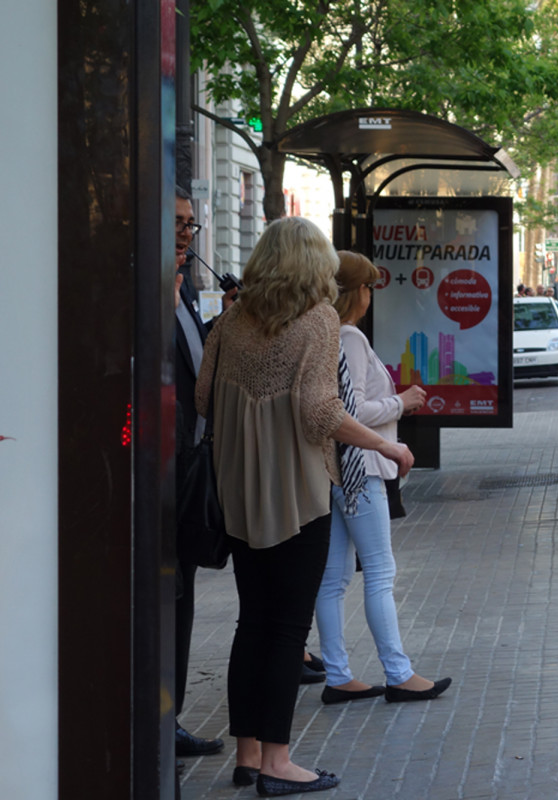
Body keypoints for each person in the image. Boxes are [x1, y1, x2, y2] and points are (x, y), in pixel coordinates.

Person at [196, 217, 414, 796]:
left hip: (237, 491)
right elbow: (320, 413)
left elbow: (201, 395)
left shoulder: (233, 319)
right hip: (295, 492)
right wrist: (388, 445)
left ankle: (246, 756)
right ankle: (278, 763)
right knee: (288, 631)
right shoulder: (317, 320)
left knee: (252, 624)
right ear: (312, 265)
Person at [313, 251, 452, 706]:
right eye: (370, 286)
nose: (373, 294)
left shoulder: (329, 334)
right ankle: (398, 673)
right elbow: (349, 412)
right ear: (356, 292)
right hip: (362, 468)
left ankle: (338, 674)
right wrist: (402, 402)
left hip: (337, 468)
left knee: (333, 578)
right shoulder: (348, 336)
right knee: (379, 571)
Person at [172, 186, 226, 760]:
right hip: (161, 476)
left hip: (188, 472)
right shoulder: (150, 295)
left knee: (182, 598)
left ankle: (172, 713)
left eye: (190, 224)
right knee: (169, 597)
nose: (185, 234)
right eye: (176, 223)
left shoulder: (184, 294)